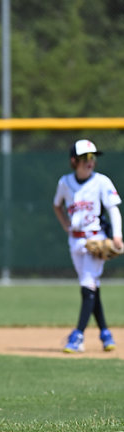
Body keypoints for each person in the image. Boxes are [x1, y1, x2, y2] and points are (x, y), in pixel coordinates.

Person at [53, 139, 122, 353]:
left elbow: (113, 209)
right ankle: (105, 333)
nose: (90, 162)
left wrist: (117, 236)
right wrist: (65, 225)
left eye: (93, 158)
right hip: (75, 241)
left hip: (95, 239)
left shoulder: (101, 181)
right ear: (74, 161)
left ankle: (78, 335)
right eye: (85, 158)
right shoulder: (65, 183)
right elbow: (57, 205)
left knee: (87, 285)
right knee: (91, 288)